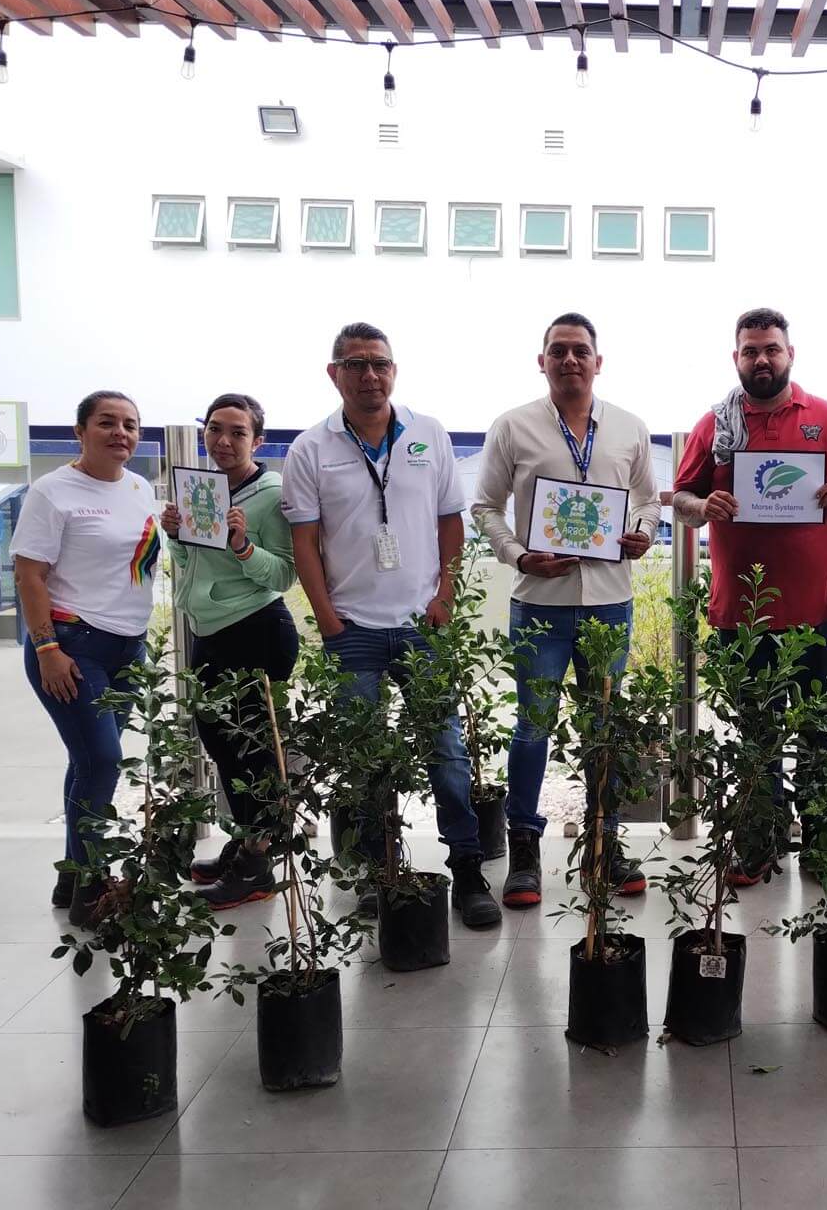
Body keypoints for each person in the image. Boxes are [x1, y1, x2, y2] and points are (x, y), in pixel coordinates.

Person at [283, 322, 498, 928]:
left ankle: (467, 868)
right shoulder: (311, 448)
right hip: (352, 630)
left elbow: (450, 523)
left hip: (421, 624)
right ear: (334, 374)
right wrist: (327, 618)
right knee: (364, 757)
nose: (369, 375)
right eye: (355, 364)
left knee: (447, 752)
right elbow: (305, 542)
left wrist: (445, 596)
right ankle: (379, 869)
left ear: (394, 370)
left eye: (379, 363)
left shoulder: (428, 434)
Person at [672, 306, 827, 881]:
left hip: (818, 610)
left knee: (819, 731)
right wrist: (701, 506)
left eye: (771, 349)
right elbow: (681, 501)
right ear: (735, 357)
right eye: (750, 350)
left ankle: (817, 845)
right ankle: (759, 843)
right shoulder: (715, 426)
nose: (761, 359)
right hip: (743, 615)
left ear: (790, 354)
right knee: (755, 734)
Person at [471, 312, 662, 911]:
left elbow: (650, 504)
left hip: (610, 600)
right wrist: (520, 557)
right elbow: (484, 507)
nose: (570, 360)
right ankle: (525, 848)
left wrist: (642, 533)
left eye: (581, 350)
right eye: (559, 350)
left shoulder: (628, 427)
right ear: (543, 361)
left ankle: (605, 843)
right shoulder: (513, 427)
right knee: (533, 728)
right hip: (541, 605)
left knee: (605, 727)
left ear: (598, 362)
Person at [13, 391, 160, 928]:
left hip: (128, 646)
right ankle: (93, 889)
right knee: (101, 761)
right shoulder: (53, 492)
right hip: (71, 645)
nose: (120, 432)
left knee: (88, 761)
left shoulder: (141, 488)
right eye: (107, 423)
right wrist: (47, 648)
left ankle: (72, 874)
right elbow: (29, 575)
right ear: (81, 431)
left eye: (130, 424)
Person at [161, 393, 299, 910]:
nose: (223, 440)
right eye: (215, 429)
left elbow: (284, 573)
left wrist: (243, 546)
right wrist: (176, 535)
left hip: (255, 629)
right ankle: (246, 844)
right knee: (221, 745)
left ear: (257, 440)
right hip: (209, 629)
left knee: (252, 751)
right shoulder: (202, 490)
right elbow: (191, 559)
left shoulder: (271, 494)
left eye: (237, 432)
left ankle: (258, 865)